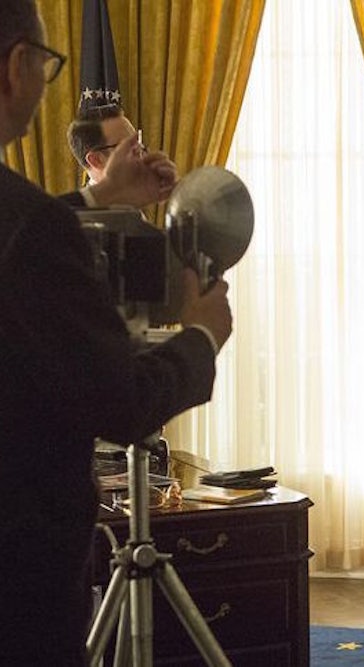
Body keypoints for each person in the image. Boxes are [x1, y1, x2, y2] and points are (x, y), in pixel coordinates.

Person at [0, 2, 232, 663]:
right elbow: (121, 403)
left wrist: (101, 197)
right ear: (17, 65)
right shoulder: (33, 229)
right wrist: (201, 336)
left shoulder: (29, 224)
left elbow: (18, 234)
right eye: (47, 64)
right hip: (20, 573)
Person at [62, 103, 177, 208]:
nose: (141, 155)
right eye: (127, 146)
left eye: (138, 144)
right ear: (96, 160)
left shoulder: (135, 200)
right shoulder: (81, 218)